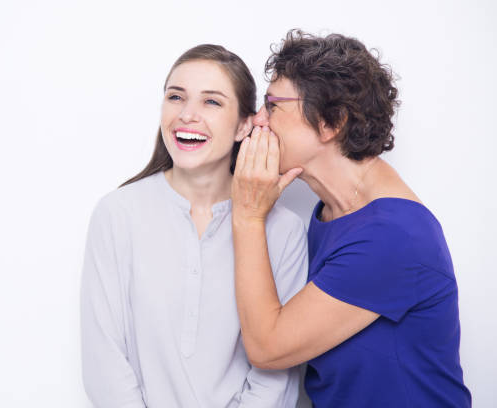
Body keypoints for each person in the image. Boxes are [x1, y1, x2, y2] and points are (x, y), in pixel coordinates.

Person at [230, 30, 472, 407]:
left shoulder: (393, 236)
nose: (258, 119)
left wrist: (246, 214)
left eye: (273, 105)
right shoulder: (330, 213)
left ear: (331, 122)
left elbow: (267, 347)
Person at [80, 44, 308, 407]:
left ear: (244, 125)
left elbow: (277, 373)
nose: (187, 115)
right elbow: (103, 361)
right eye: (175, 97)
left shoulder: (284, 230)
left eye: (211, 102)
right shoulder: (118, 214)